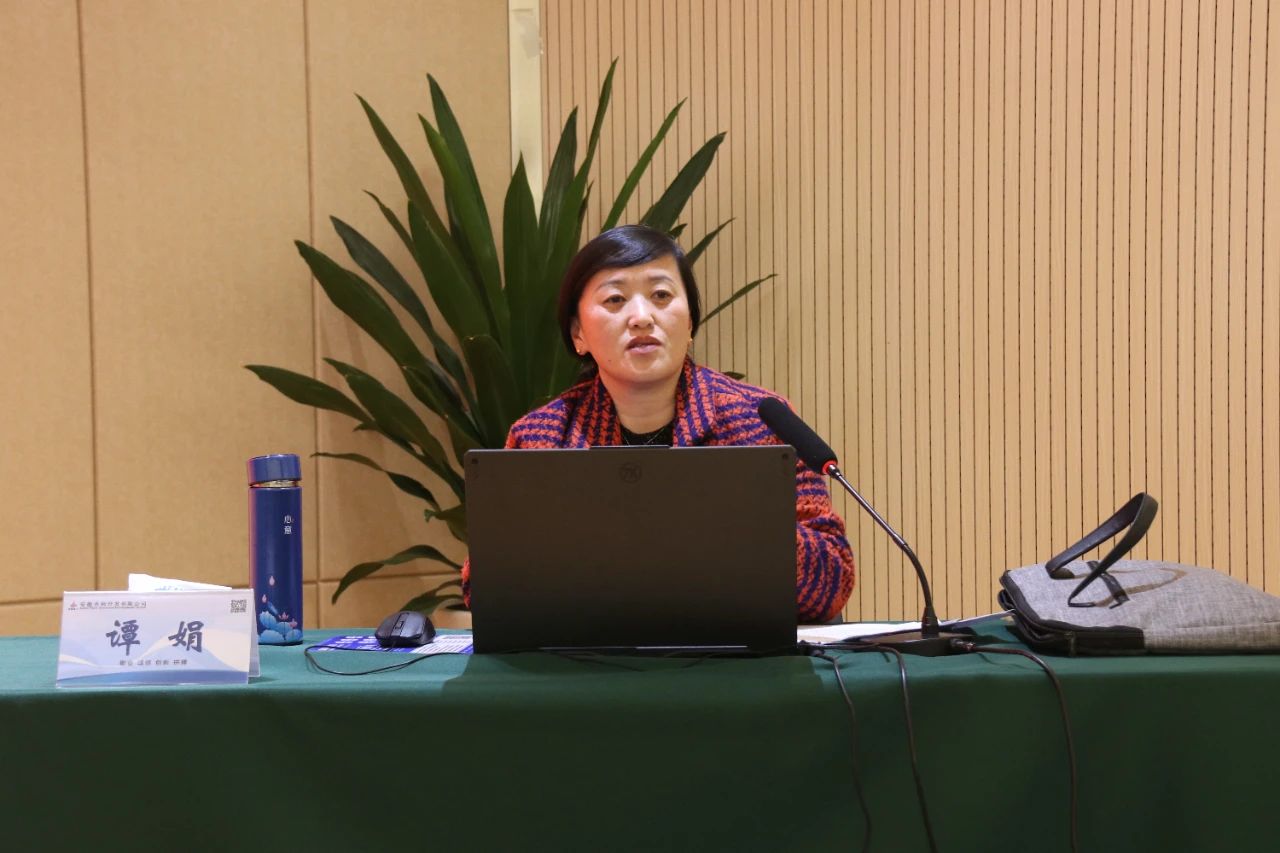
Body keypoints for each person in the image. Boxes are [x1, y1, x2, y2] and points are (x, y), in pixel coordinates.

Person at [462, 224, 855, 622]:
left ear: (690, 322)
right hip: (591, 655)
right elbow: (485, 587)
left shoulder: (760, 421)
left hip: (727, 653)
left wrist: (732, 521)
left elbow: (832, 582)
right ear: (578, 333)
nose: (641, 318)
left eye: (661, 295)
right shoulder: (542, 437)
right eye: (615, 299)